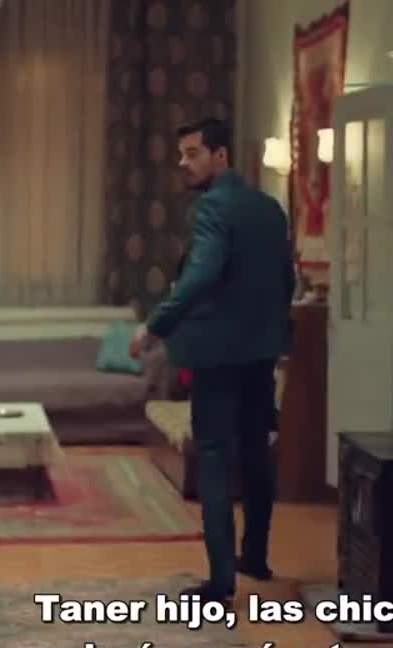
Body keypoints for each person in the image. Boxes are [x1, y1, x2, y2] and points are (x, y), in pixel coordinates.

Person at [130, 118, 295, 600]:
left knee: (216, 459)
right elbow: (285, 278)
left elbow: (200, 276)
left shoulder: (213, 207)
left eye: (192, 153)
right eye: (181, 154)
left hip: (217, 356)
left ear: (220, 156)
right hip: (261, 351)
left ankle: (222, 579)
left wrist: (154, 326)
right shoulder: (270, 208)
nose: (182, 163)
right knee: (256, 454)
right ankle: (256, 557)